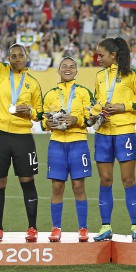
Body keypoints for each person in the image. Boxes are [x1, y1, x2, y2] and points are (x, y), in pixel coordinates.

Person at [0, 36, 45, 242]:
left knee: (27, 181)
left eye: (20, 55)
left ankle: (32, 228)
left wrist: (31, 112)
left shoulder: (33, 83)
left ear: (26, 57)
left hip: (23, 137)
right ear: (8, 58)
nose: (17, 59)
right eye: (13, 56)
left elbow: (40, 114)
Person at [91, 37, 136, 242]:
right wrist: (95, 114)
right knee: (105, 180)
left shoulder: (131, 75)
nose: (98, 59)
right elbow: (96, 101)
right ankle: (106, 226)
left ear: (113, 55)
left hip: (124, 133)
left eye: (101, 55)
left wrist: (123, 107)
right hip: (103, 134)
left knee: (128, 180)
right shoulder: (99, 76)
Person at [41, 56, 95, 243]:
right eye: (64, 66)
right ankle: (56, 228)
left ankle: (83, 228)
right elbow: (42, 119)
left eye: (72, 67)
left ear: (77, 72)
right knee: (57, 187)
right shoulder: (50, 94)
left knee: (78, 186)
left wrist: (76, 120)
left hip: (78, 143)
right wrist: (47, 123)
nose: (68, 69)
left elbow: (90, 118)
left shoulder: (84, 92)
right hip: (56, 144)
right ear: (58, 70)